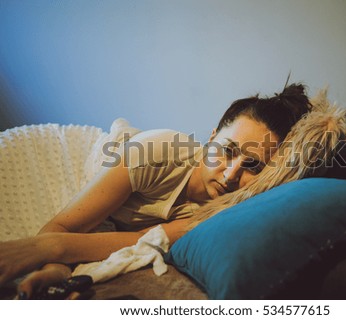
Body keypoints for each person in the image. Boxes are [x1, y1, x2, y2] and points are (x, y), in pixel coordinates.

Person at [0, 82, 313, 299]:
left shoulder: (226, 209)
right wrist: (54, 263)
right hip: (83, 156)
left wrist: (56, 266)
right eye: (228, 150)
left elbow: (143, 240)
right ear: (211, 138)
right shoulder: (156, 152)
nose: (232, 174)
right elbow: (62, 228)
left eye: (253, 165)